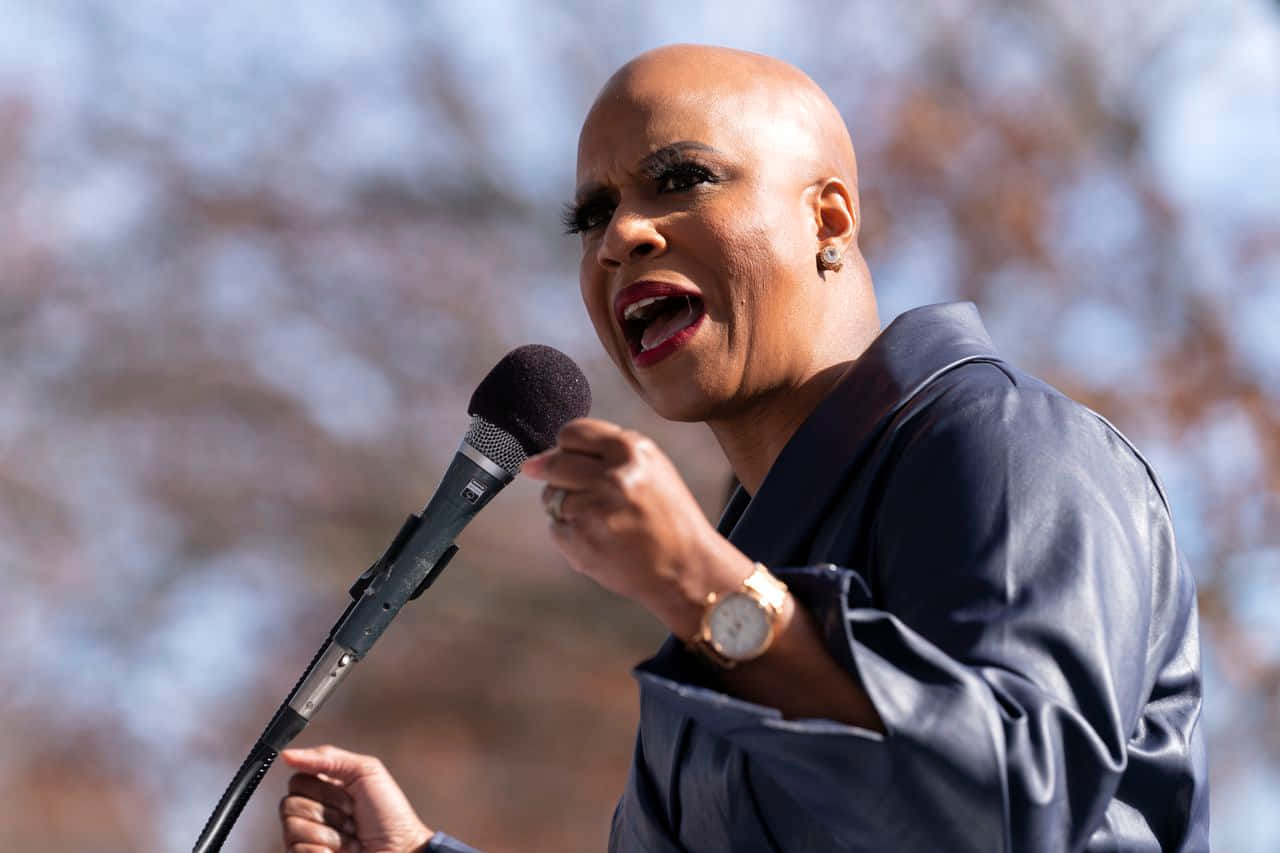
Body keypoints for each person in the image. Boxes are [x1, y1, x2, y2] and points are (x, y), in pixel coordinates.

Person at [277, 44, 1209, 852]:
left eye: (682, 179)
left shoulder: (1000, 442)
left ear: (828, 219)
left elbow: (1009, 815)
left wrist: (700, 584)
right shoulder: (731, 575)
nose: (620, 238)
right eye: (591, 216)